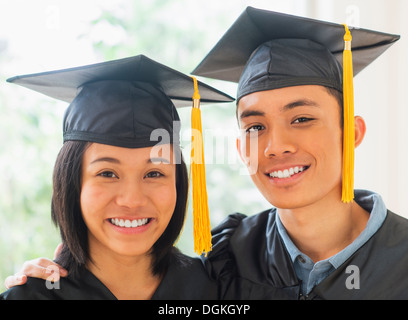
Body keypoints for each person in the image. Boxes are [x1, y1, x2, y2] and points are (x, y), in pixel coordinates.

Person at [191, 7, 408, 299]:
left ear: (351, 133)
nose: (276, 146)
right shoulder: (226, 260)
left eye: (302, 119)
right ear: (242, 149)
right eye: (255, 127)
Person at [0, 55, 233, 299]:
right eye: (107, 173)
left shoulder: (215, 292)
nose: (132, 200)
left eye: (154, 173)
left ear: (179, 182)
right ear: (72, 184)